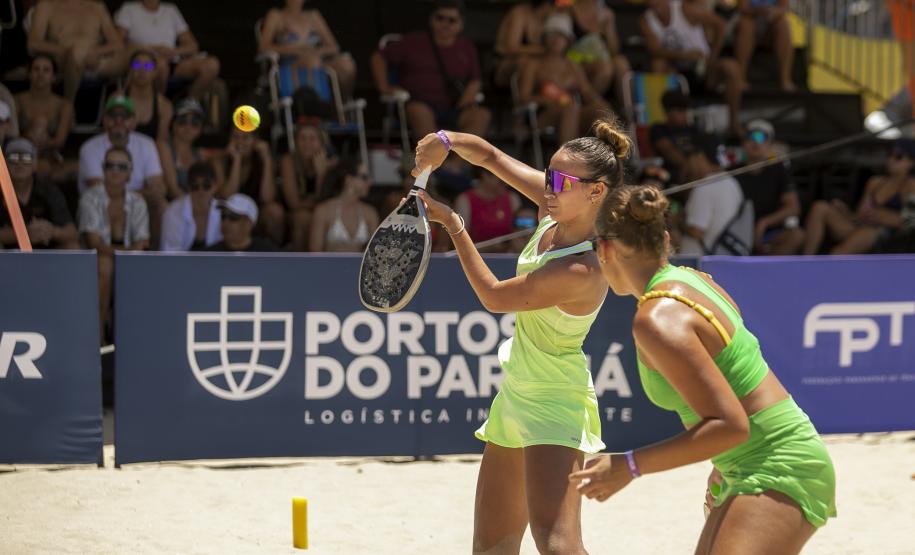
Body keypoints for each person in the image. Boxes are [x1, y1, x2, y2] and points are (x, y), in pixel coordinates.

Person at [576, 183, 836, 554]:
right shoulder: (694, 280)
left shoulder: (656, 318)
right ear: (664, 238)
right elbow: (737, 378)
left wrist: (628, 465)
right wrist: (724, 463)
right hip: (759, 459)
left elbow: (730, 424)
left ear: (604, 249)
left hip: (778, 465)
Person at [412, 118, 630, 553]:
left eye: (561, 181)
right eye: (549, 175)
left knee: (557, 544)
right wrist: (446, 140)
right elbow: (490, 156)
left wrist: (453, 225)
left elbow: (494, 297)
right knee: (491, 546)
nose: (549, 187)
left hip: (555, 399)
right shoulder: (554, 210)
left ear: (596, 192)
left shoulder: (583, 267)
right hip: (516, 393)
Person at [371, 0, 490, 139]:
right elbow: (378, 58)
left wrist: (466, 101)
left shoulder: (467, 48)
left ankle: (458, 155)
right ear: (431, 19)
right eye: (440, 18)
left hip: (454, 107)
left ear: (461, 24)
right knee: (419, 112)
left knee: (481, 115)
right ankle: (436, 153)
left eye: (452, 20)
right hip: (418, 104)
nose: (445, 24)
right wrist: (384, 86)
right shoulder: (413, 41)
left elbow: (475, 79)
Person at [640, 0, 744, 135]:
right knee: (658, 64)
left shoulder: (684, 10)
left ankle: (734, 124)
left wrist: (712, 56)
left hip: (702, 68)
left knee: (732, 67)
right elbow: (655, 51)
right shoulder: (646, 20)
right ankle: (662, 126)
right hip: (675, 71)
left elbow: (720, 24)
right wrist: (684, 55)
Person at [79, 146, 150, 339]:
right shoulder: (90, 198)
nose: (116, 171)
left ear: (130, 172)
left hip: (129, 260)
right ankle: (98, 337)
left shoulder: (138, 201)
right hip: (94, 263)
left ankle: (135, 338)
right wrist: (129, 250)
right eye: (111, 165)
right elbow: (94, 244)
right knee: (105, 265)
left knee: (139, 266)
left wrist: (129, 251)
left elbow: (143, 243)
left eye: (122, 166)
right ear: (103, 169)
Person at [800, 139, 915, 255]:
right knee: (820, 207)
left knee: (839, 253)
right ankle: (807, 259)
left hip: (882, 233)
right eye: (889, 155)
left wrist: (883, 217)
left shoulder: (911, 186)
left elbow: (910, 221)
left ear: (911, 162)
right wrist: (845, 212)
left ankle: (835, 259)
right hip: (861, 227)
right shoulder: (875, 182)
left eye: (898, 157)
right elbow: (859, 216)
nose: (891, 160)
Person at [78, 95, 165, 246]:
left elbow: (158, 188)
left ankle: (155, 255)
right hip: (98, 206)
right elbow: (98, 189)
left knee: (160, 203)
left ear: (134, 121)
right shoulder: (89, 147)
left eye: (124, 116)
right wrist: (135, 194)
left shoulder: (147, 143)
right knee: (100, 200)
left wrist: (127, 196)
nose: (119, 121)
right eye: (113, 116)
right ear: (104, 119)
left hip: (137, 205)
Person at [518, 12, 611, 145]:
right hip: (543, 115)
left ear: (568, 40)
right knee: (570, 108)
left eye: (561, 35)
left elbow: (587, 92)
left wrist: (602, 106)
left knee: (601, 108)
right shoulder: (533, 64)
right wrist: (548, 101)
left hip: (572, 112)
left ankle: (612, 155)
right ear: (544, 38)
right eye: (552, 34)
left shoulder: (572, 65)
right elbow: (523, 97)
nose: (556, 39)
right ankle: (567, 157)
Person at [115, 0, 221, 100]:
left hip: (173, 62)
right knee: (161, 64)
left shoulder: (171, 10)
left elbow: (192, 46)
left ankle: (189, 103)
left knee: (211, 65)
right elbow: (119, 44)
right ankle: (158, 105)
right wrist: (151, 49)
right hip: (144, 63)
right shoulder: (129, 9)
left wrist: (174, 52)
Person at [27, 0, 125, 103]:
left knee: (135, 56)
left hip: (95, 62)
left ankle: (126, 104)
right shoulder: (46, 5)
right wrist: (64, 51)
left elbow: (117, 44)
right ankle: (68, 106)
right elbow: (33, 44)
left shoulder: (97, 7)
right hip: (63, 61)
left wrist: (95, 52)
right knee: (77, 52)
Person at [258, 0, 356, 100]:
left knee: (346, 64)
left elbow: (334, 47)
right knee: (313, 61)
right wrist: (295, 50)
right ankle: (320, 104)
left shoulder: (313, 15)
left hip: (317, 60)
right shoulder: (276, 15)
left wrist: (314, 52)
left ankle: (344, 103)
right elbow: (263, 47)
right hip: (291, 66)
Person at [735, 119, 802, 255]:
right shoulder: (733, 172)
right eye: (750, 137)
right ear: (743, 144)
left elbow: (793, 207)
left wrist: (764, 223)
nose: (755, 142)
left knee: (796, 235)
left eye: (761, 138)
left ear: (770, 145)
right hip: (738, 233)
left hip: (769, 234)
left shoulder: (778, 170)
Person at [0, 138, 79, 249]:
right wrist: (26, 233)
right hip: (8, 252)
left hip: (46, 249)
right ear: (5, 164)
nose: (19, 163)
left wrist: (52, 231)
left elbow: (72, 233)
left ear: (35, 164)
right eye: (13, 158)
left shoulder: (48, 190)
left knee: (72, 247)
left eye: (26, 158)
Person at [678, 138, 748, 255]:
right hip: (723, 256)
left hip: (701, 261)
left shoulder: (705, 187)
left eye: (689, 158)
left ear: (699, 156)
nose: (688, 165)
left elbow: (696, 231)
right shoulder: (732, 183)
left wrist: (678, 222)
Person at [216, 127, 284, 246]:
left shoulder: (262, 159)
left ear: (255, 141)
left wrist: (267, 159)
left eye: (245, 138)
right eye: (236, 137)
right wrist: (237, 160)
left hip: (257, 212)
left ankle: (272, 252)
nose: (240, 142)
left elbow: (267, 198)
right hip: (229, 212)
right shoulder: (221, 160)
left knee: (274, 211)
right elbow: (227, 196)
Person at [280, 123, 338, 251]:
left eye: (312, 139)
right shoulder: (289, 161)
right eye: (302, 138)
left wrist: (321, 173)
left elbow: (328, 203)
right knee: (303, 217)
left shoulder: (332, 163)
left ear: (322, 143)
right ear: (296, 142)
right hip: (294, 214)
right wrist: (313, 203)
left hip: (325, 212)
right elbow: (294, 203)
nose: (307, 143)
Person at [14, 55, 74, 179]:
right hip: (21, 153)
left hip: (50, 155)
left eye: (46, 70)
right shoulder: (17, 100)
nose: (40, 74)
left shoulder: (64, 105)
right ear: (29, 74)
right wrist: (29, 139)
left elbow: (60, 140)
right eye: (36, 69)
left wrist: (43, 142)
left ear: (54, 76)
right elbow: (12, 133)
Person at [309, 158, 378, 253]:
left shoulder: (370, 213)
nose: (370, 182)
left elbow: (375, 252)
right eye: (364, 177)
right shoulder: (323, 210)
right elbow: (315, 252)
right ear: (348, 179)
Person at [566, 0, 631, 98]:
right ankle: (589, 102)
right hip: (576, 60)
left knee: (621, 62)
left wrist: (608, 25)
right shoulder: (569, 11)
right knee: (605, 69)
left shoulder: (606, 14)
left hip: (600, 57)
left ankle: (629, 106)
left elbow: (614, 51)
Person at [454, 167, 522, 252]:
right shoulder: (464, 200)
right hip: (476, 257)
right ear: (485, 176)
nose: (506, 184)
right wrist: (490, 247)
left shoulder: (513, 199)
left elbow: (520, 234)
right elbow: (460, 243)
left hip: (507, 256)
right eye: (501, 181)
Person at [733, 0, 795, 92]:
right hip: (751, 19)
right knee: (745, 25)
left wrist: (773, 12)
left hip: (771, 24)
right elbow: (742, 8)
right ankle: (740, 77)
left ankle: (785, 78)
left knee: (784, 26)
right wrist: (758, 11)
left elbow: (784, 8)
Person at [160, 161, 222, 251]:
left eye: (206, 186)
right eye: (195, 186)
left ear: (215, 186)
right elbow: (170, 252)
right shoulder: (173, 212)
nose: (201, 191)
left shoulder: (223, 211)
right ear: (188, 187)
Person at [492, 0, 554, 88]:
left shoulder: (548, 18)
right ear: (546, 4)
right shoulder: (519, 13)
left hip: (535, 66)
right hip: (504, 65)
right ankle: (525, 96)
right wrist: (541, 50)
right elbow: (510, 48)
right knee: (529, 64)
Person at [158, 98, 208, 197]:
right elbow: (173, 189)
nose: (188, 126)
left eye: (195, 123)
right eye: (182, 121)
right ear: (173, 124)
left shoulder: (200, 154)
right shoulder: (164, 147)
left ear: (200, 129)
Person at [650, 90, 703, 182]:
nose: (685, 115)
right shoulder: (659, 130)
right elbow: (668, 150)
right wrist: (687, 165)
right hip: (669, 172)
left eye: (685, 110)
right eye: (680, 111)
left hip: (696, 170)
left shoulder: (693, 130)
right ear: (668, 112)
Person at [121, 50, 174, 141]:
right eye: (136, 65)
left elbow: (162, 142)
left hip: (150, 150)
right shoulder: (118, 99)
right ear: (130, 70)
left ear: (155, 72)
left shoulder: (164, 106)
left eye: (148, 66)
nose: (142, 70)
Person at [204, 194, 278, 252]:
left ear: (249, 223)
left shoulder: (268, 253)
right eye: (223, 216)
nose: (226, 222)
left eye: (233, 217)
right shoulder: (210, 255)